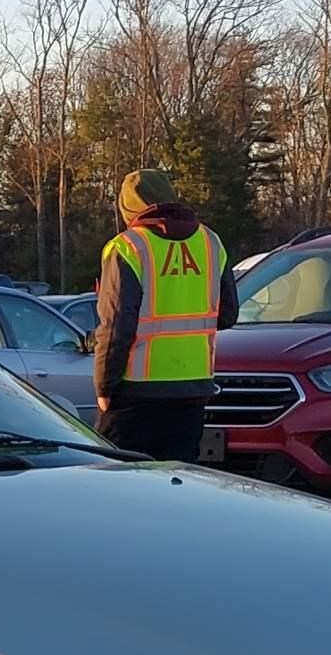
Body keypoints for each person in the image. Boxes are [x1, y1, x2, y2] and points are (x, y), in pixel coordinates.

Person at [91, 169, 240, 460]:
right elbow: (227, 315)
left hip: (134, 392)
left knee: (121, 485)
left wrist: (104, 387)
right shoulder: (211, 243)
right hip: (193, 390)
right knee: (177, 485)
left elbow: (116, 326)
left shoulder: (127, 247)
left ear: (129, 208)